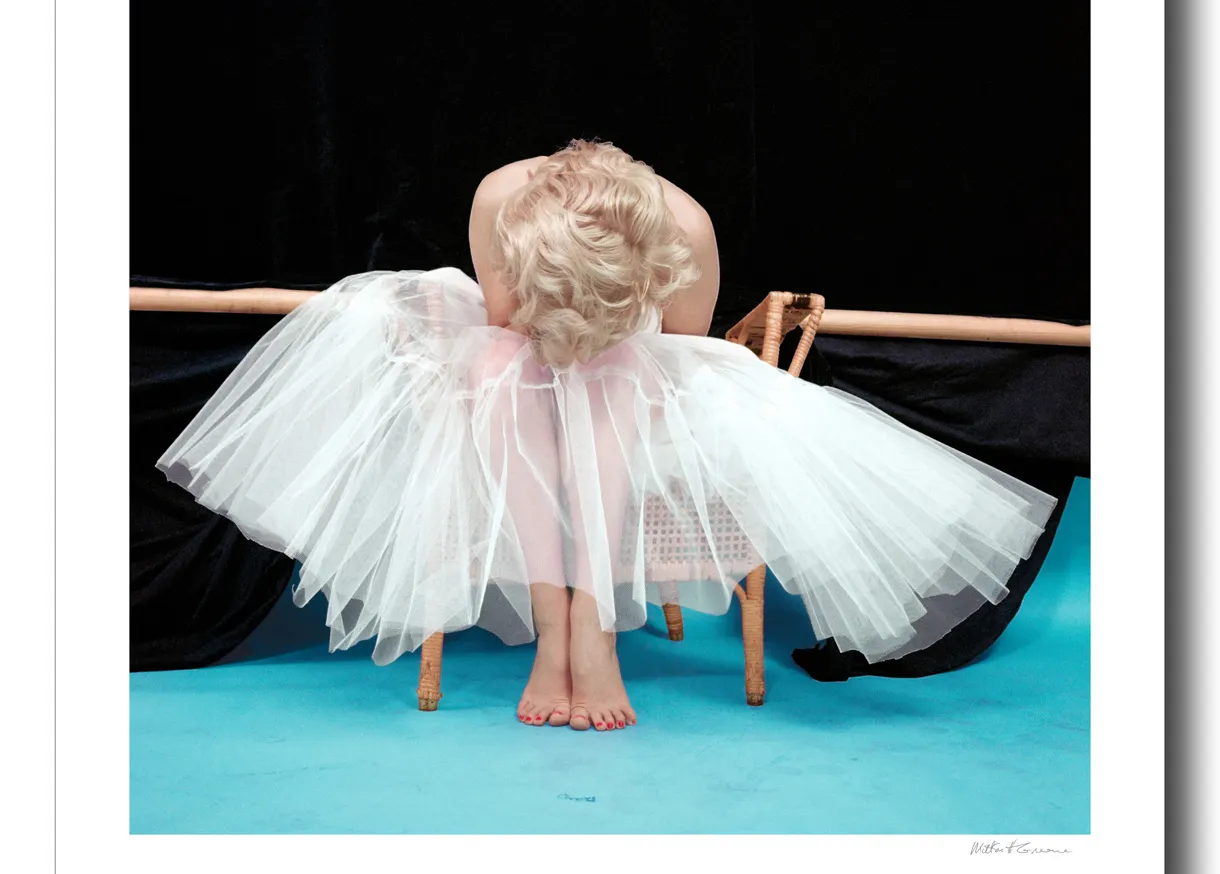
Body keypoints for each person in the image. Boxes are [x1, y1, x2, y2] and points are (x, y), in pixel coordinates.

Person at [159, 138, 1057, 733]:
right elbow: (508, 323)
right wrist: (558, 349)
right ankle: (559, 630)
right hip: (524, 355)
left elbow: (685, 353)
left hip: (643, 371)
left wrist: (600, 353)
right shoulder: (501, 199)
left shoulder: (685, 227)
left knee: (618, 374)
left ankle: (593, 628)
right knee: (498, 367)